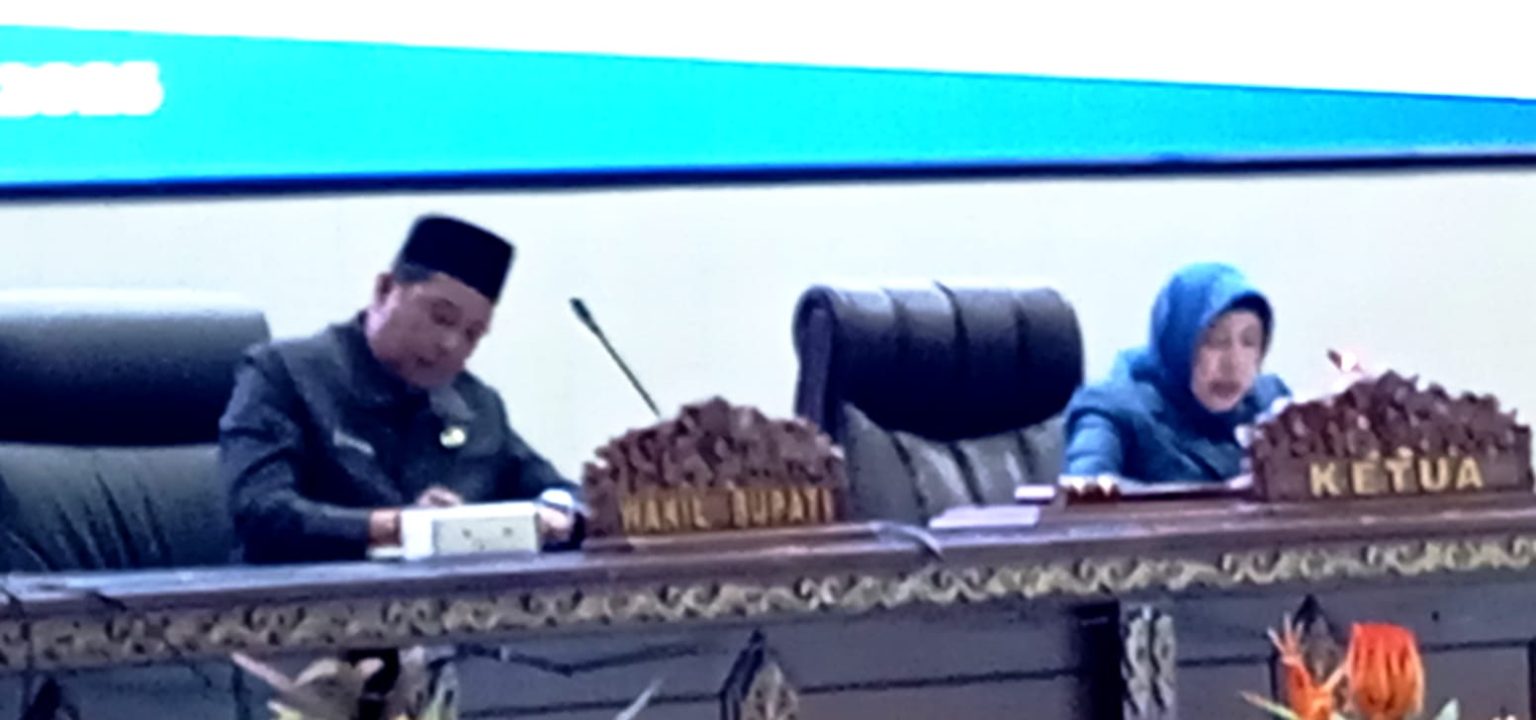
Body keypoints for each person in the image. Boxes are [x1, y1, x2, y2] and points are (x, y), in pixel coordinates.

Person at [221, 214, 583, 564]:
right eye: (441, 318)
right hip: (310, 598)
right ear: (384, 290)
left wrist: (563, 514)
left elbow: (560, 492)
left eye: (472, 335)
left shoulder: (476, 406)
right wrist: (403, 527)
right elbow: (261, 512)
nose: (451, 344)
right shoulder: (285, 374)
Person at [1063, 262, 1290, 485]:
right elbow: (1085, 490)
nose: (1234, 363)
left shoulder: (1271, 404)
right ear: (1178, 342)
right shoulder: (1111, 408)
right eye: (1216, 341)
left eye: (1249, 342)